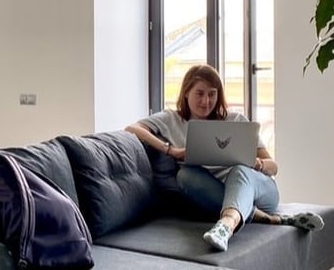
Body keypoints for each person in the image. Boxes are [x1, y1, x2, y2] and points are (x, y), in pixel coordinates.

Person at [125, 64, 324, 252]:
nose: (206, 101)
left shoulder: (235, 120)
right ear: (186, 93)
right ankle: (275, 220)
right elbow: (133, 128)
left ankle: (226, 227)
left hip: (258, 190)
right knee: (185, 176)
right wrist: (171, 151)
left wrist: (258, 164)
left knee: (239, 171)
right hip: (216, 194)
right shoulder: (171, 119)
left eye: (212, 94)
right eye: (200, 94)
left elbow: (274, 167)